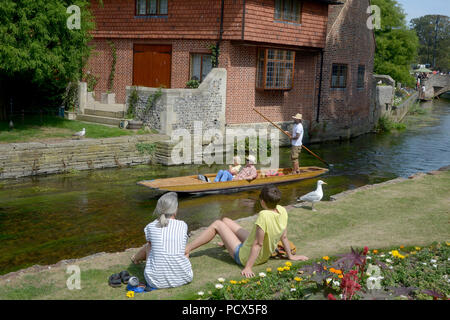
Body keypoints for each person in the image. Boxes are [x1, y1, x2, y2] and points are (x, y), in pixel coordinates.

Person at [184, 185, 309, 278]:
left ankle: (187, 249)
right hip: (262, 254)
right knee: (226, 220)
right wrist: (291, 256)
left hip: (244, 256)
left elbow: (258, 244)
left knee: (217, 224)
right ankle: (227, 242)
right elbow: (284, 237)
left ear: (262, 201)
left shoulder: (264, 215)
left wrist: (248, 267)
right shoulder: (282, 210)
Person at [131, 192, 193, 289]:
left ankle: (135, 258)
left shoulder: (150, 226)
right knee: (183, 250)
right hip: (185, 278)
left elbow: (150, 247)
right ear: (175, 210)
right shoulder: (183, 225)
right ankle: (178, 272)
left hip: (155, 282)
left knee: (149, 246)